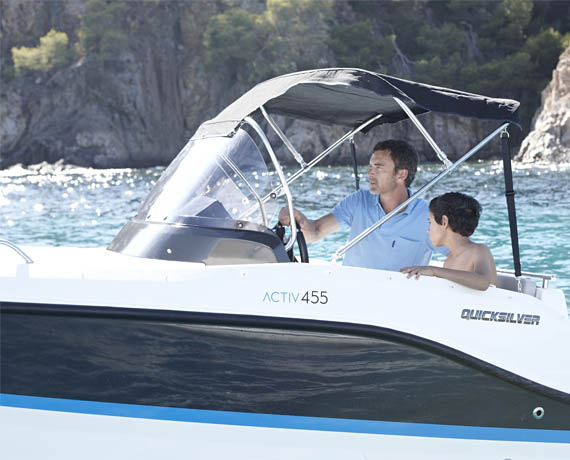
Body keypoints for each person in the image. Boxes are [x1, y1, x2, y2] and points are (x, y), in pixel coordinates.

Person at [278, 140, 445, 271]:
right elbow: (315, 232)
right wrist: (298, 219)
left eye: (378, 168)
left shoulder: (428, 216)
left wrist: (433, 272)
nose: (370, 173)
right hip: (349, 293)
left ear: (401, 174)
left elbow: (457, 256)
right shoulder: (359, 201)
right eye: (370, 167)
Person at [400, 192, 496, 290]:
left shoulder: (479, 250)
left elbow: (483, 282)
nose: (428, 229)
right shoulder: (449, 260)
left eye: (430, 222)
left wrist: (434, 270)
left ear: (444, 222)